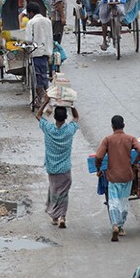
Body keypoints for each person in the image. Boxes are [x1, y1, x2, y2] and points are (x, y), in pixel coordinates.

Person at [95, 115, 140, 241]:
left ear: (112, 126)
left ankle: (115, 225)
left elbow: (98, 156)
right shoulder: (131, 138)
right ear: (124, 125)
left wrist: (98, 169)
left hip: (113, 176)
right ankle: (121, 226)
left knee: (113, 202)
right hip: (127, 176)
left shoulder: (108, 139)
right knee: (123, 201)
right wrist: (135, 161)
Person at [35, 94, 80, 229]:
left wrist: (46, 102)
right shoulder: (69, 130)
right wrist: (71, 105)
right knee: (63, 193)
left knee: (54, 191)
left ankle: (54, 216)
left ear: (54, 117)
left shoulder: (49, 130)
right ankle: (62, 217)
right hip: (65, 169)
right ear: (66, 117)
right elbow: (76, 118)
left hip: (52, 168)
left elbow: (38, 116)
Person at [24, 1, 53, 98]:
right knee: (44, 74)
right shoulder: (48, 21)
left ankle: (41, 96)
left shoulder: (31, 22)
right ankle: (46, 94)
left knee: (38, 76)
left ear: (31, 13)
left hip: (36, 52)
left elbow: (28, 40)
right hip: (47, 51)